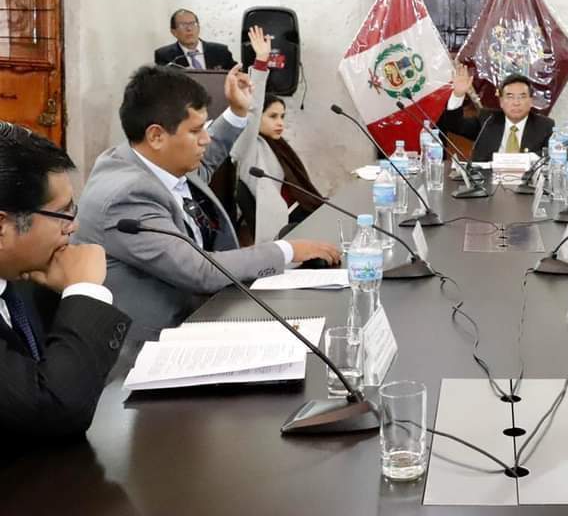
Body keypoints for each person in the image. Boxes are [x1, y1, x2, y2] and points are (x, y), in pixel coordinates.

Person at [75, 65, 339, 342]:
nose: (206, 138)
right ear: (156, 136)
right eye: (196, 130)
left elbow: (208, 158)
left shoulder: (153, 158)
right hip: (153, 343)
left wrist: (237, 112)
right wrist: (287, 250)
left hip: (202, 310)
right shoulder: (126, 197)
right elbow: (199, 270)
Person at [0, 123, 130, 447]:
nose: (73, 227)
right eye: (62, 214)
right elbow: (55, 406)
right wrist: (84, 290)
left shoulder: (23, 278)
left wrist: (66, 294)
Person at [233, 25, 325, 243]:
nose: (280, 123)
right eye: (273, 116)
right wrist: (261, 62)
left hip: (298, 213)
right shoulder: (248, 146)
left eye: (282, 117)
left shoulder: (278, 145)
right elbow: (252, 110)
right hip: (282, 226)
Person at [438, 63, 554, 162]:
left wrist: (526, 158)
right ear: (501, 102)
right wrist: (458, 95)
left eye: (522, 97)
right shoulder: (488, 120)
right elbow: (454, 125)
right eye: (510, 97)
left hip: (527, 181)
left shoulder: (545, 126)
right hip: (487, 180)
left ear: (531, 101)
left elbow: (552, 156)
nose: (516, 103)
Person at [153, 9, 237, 70]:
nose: (189, 29)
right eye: (183, 25)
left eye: (193, 24)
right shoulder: (165, 56)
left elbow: (237, 74)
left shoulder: (220, 51)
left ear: (199, 28)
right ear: (173, 32)